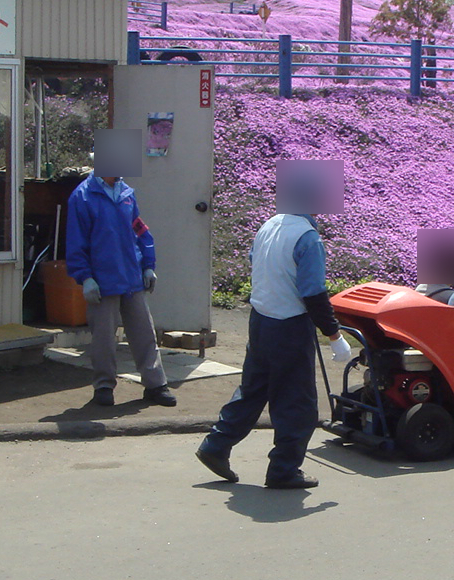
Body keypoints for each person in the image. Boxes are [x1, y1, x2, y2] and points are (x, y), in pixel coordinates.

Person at [197, 169, 353, 489]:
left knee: (253, 390)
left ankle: (216, 445)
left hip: (261, 319)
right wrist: (335, 336)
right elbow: (313, 293)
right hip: (289, 325)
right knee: (298, 403)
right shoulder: (307, 238)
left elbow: (257, 263)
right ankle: (283, 469)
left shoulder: (269, 225)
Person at [65, 130, 175, 409]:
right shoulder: (82, 197)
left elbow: (139, 231)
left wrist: (148, 266)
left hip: (131, 277)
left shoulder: (127, 194)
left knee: (144, 333)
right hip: (102, 281)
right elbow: (76, 242)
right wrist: (86, 278)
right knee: (103, 338)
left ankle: (155, 385)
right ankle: (104, 387)